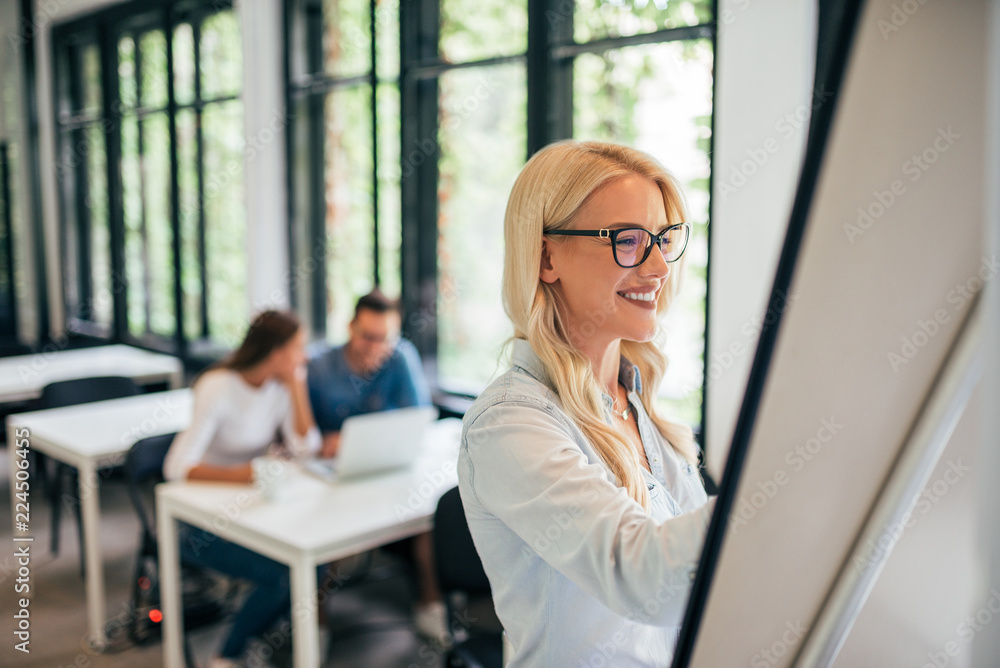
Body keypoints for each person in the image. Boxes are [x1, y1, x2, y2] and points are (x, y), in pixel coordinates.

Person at [458, 140, 716, 666]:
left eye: (664, 241)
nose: (658, 267)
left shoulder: (639, 405)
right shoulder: (509, 424)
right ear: (547, 256)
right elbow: (646, 579)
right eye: (628, 241)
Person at [163, 310, 321, 668]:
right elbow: (175, 467)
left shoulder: (280, 386)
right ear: (276, 351)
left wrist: (296, 386)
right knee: (284, 576)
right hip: (200, 526)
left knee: (317, 566)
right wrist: (247, 474)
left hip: (254, 513)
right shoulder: (217, 385)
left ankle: (258, 632)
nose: (304, 356)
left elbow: (305, 448)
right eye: (298, 348)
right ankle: (226, 656)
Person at [307, 289, 448, 643]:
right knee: (328, 525)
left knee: (429, 513)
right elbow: (304, 436)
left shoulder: (401, 357)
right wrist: (325, 439)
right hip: (335, 475)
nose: (375, 347)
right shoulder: (320, 366)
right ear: (351, 327)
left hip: (390, 467)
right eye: (367, 337)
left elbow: (419, 418)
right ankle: (317, 621)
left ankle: (430, 604)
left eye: (384, 339)